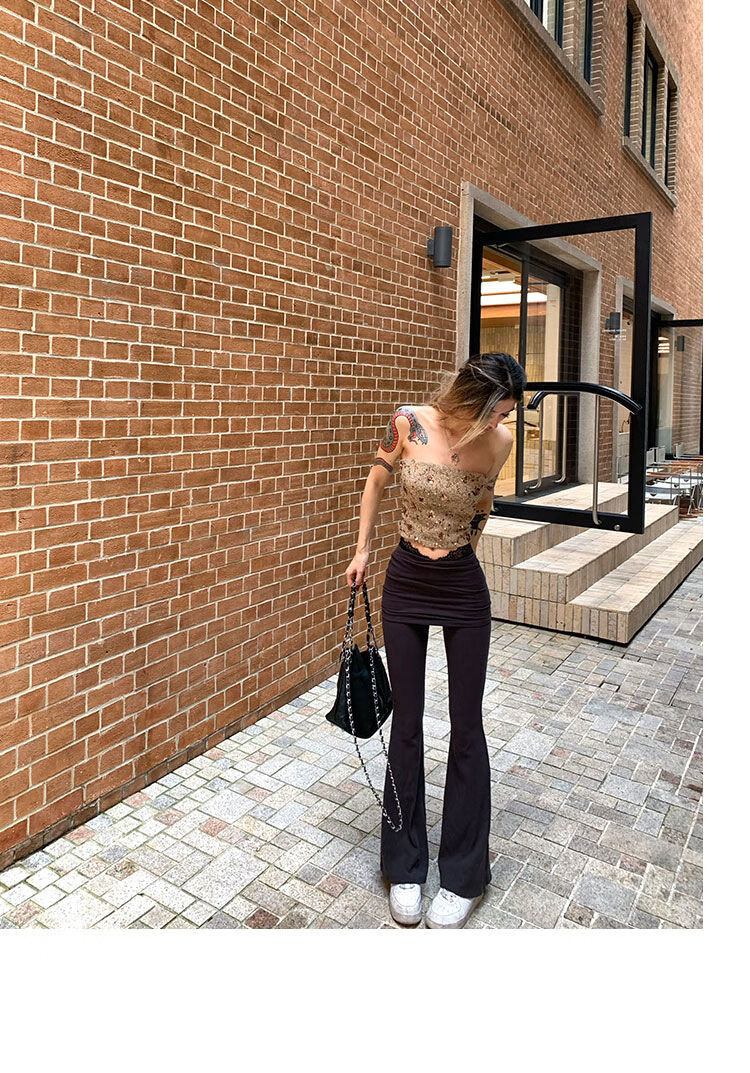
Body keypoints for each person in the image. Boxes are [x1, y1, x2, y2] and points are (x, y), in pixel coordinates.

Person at [345, 352, 527, 928]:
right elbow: (376, 481)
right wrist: (362, 551)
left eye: (508, 412)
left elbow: (482, 507)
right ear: (475, 397)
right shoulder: (409, 421)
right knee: (408, 722)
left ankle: (464, 877)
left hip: (462, 587)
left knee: (467, 726)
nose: (504, 419)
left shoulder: (499, 443)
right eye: (499, 408)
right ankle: (404, 867)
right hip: (405, 581)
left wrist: (462, 548)